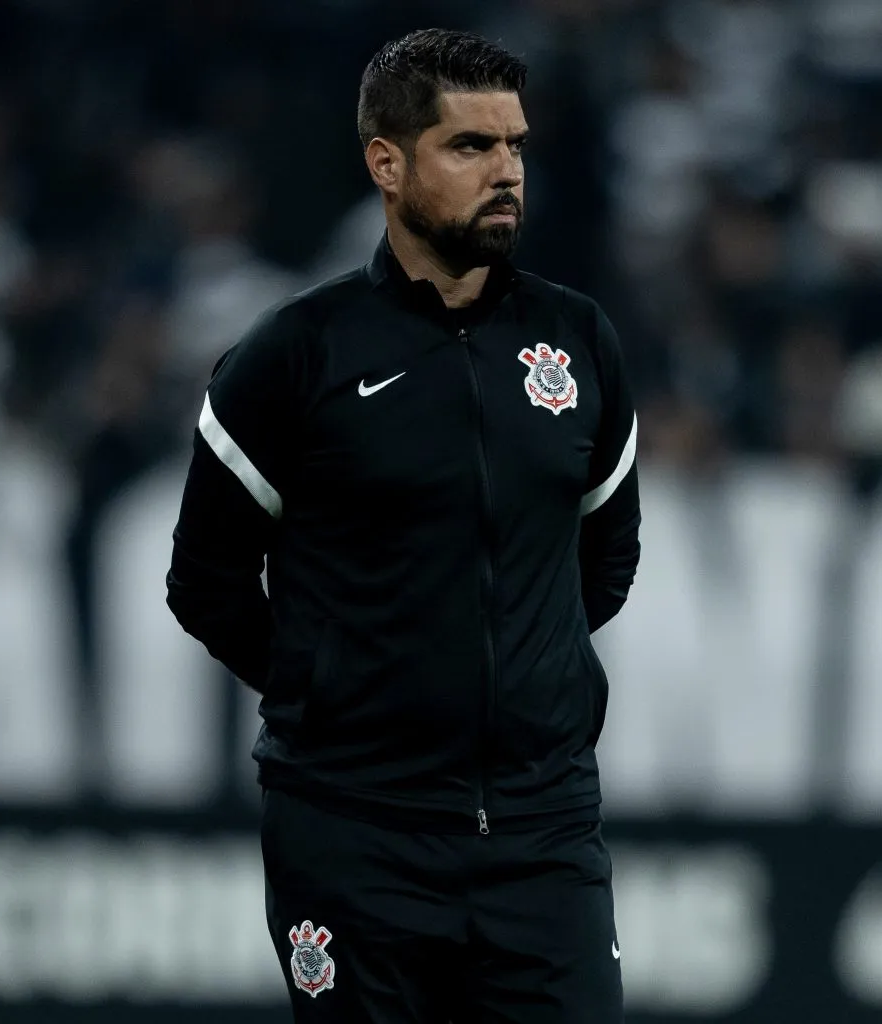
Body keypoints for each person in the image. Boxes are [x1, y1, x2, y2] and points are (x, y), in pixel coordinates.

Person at [166, 27, 640, 1024]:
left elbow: (602, 558)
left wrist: (512, 676)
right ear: (387, 162)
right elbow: (203, 582)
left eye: (513, 144)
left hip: (542, 834)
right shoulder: (293, 354)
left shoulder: (579, 342)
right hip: (353, 835)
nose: (505, 170)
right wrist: (338, 691)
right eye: (470, 147)